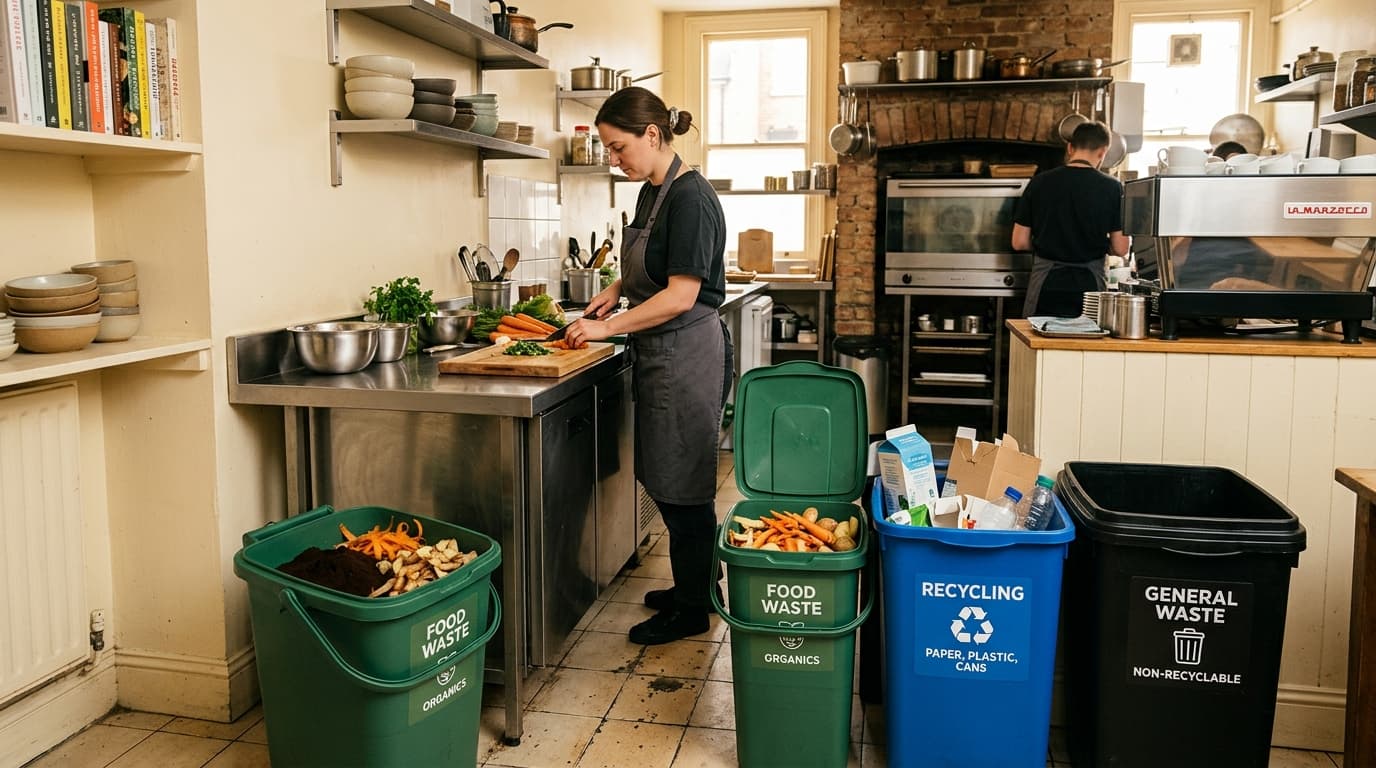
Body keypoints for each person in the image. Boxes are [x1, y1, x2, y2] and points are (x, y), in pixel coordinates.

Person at [562, 87, 732, 646]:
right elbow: (652, 268)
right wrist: (615, 290)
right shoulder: (653, 192)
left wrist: (607, 328)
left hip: (684, 354)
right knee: (666, 478)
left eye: (619, 147)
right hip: (662, 352)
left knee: (684, 487)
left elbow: (682, 294)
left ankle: (693, 609)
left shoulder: (691, 199)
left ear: (653, 136)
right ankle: (697, 588)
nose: (615, 159)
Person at [1012, 121, 1131, 317]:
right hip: (1090, 287)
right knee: (1086, 343)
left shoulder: (1039, 182)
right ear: (1103, 152)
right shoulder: (1112, 188)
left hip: (1046, 283)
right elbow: (1121, 248)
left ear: (1070, 148)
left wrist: (1049, 243)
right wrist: (1098, 244)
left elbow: (1019, 242)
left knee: (1041, 342)